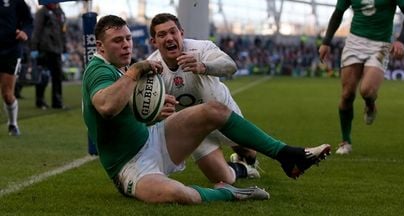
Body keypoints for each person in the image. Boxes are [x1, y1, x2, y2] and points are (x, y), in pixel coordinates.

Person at [82, 15, 331, 204]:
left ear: (181, 33)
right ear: (100, 47)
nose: (126, 45)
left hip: (153, 139)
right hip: (130, 165)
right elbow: (106, 106)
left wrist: (153, 113)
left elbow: (230, 65)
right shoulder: (100, 69)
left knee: (214, 110)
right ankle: (228, 192)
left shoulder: (192, 49)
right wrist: (137, 73)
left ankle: (287, 155)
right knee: (178, 193)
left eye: (127, 38)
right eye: (118, 41)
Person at [147, 13, 260, 185]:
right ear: (153, 41)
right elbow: (146, 112)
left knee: (249, 152)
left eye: (173, 32)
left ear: (181, 33)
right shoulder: (152, 67)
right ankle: (242, 169)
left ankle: (247, 159)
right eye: (162, 35)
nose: (169, 38)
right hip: (195, 128)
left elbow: (230, 66)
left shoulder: (201, 48)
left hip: (223, 113)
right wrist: (158, 112)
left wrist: (203, 66)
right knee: (224, 180)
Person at [318, 0, 404, 155]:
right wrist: (326, 42)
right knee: (347, 94)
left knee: (367, 90)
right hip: (354, 43)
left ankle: (370, 104)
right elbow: (338, 13)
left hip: (380, 44)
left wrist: (401, 40)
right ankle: (345, 141)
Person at [0, 0, 33, 136]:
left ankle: (13, 124)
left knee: (7, 94)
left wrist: (25, 31)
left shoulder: (17, 2)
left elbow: (28, 21)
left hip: (11, 50)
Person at [30, 3, 67, 109]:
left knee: (57, 76)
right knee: (43, 76)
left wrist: (64, 49)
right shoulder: (42, 12)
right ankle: (40, 100)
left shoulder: (60, 12)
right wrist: (34, 48)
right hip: (44, 49)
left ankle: (57, 102)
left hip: (57, 50)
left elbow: (63, 31)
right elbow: (36, 30)